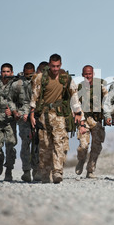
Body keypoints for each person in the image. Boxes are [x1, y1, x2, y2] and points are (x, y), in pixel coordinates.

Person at [29, 53, 85, 184]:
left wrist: (78, 113)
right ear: (49, 65)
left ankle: (57, 172)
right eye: (53, 66)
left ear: (61, 65)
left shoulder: (65, 78)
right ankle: (45, 173)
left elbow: (74, 96)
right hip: (43, 115)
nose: (55, 69)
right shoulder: (40, 78)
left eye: (57, 66)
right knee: (45, 145)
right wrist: (32, 115)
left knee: (59, 143)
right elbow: (34, 97)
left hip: (59, 115)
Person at [75, 65, 108, 179]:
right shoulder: (78, 88)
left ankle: (90, 170)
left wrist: (108, 115)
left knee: (96, 147)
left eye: (89, 74)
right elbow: (75, 105)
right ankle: (81, 160)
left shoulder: (101, 87)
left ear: (93, 74)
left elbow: (108, 101)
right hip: (84, 121)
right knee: (83, 146)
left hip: (97, 121)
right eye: (85, 74)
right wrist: (80, 122)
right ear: (82, 74)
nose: (88, 76)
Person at [16, 62, 39, 182]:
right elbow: (12, 99)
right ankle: (26, 171)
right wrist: (16, 112)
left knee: (37, 143)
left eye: (31, 74)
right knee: (26, 143)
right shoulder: (18, 83)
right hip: (23, 118)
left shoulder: (38, 81)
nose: (29, 76)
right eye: (27, 74)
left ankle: (36, 171)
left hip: (35, 116)